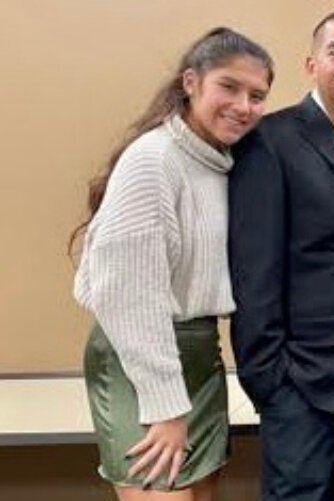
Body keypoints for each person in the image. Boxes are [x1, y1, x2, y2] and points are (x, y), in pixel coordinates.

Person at [70, 27, 274, 500]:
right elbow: (129, 297)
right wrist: (166, 410)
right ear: (191, 82)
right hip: (140, 360)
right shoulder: (154, 160)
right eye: (229, 86)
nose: (243, 106)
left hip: (200, 356)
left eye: (257, 95)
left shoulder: (219, 162)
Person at [228, 10, 334, 501]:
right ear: (311, 65)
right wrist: (269, 381)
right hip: (302, 382)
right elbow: (254, 270)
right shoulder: (270, 142)